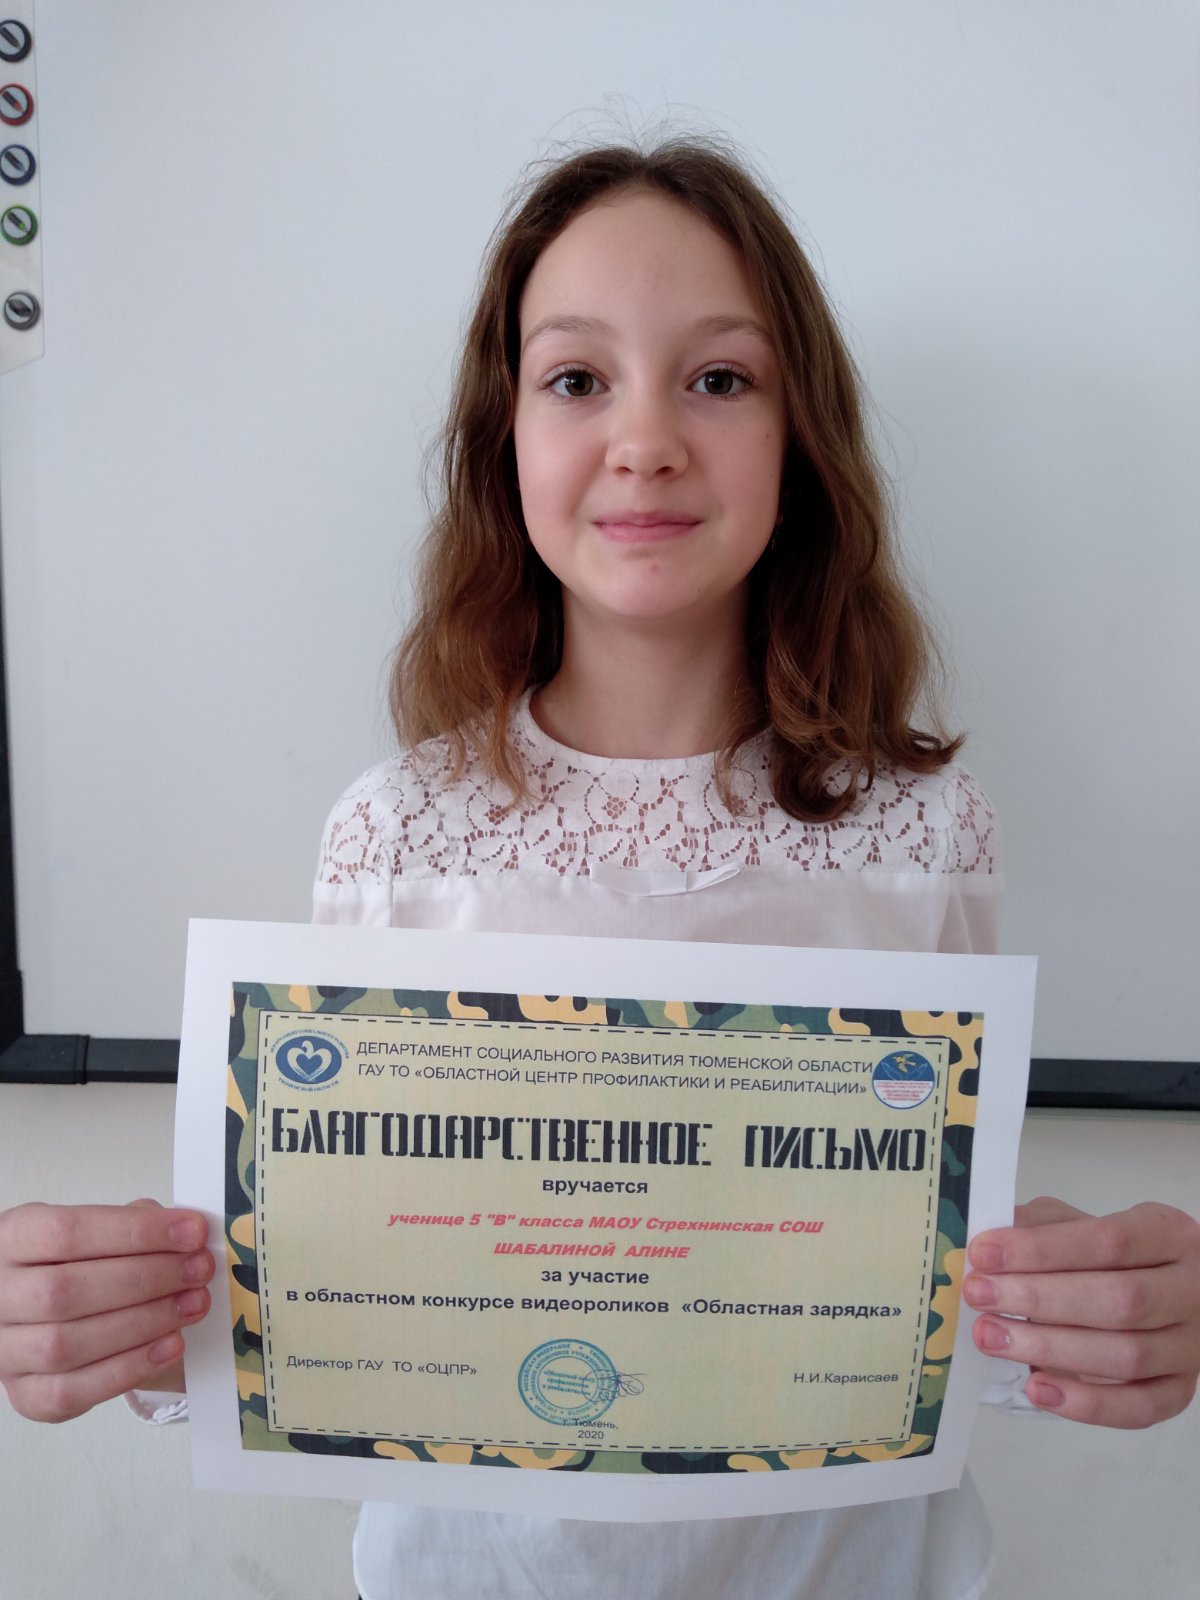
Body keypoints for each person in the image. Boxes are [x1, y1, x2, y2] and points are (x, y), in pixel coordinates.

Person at [0, 135, 1197, 1600]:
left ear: (801, 437)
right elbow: (339, 1269)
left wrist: (1082, 1313)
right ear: (502, 435)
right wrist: (130, 1318)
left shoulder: (926, 831)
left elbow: (930, 1263)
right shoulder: (397, 833)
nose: (646, 440)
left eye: (720, 378)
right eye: (577, 379)